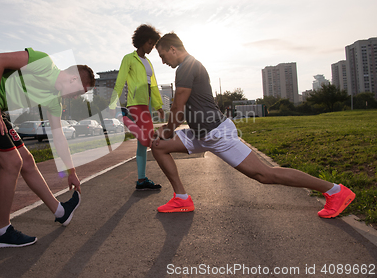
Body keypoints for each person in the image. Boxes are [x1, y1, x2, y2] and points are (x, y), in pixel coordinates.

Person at [150, 33, 355, 218]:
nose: (163, 61)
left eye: (162, 55)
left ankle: (335, 191)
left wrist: (168, 130)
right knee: (158, 146)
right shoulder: (189, 66)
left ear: (172, 49)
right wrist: (167, 131)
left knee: (264, 175)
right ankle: (182, 198)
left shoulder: (187, 66)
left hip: (217, 134)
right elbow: (184, 107)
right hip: (200, 133)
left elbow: (178, 105)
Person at [0, 48, 95, 248]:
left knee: (26, 160)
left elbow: (59, 136)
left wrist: (71, 171)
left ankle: (60, 212)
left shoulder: (55, 100)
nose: (78, 97)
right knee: (13, 163)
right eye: (81, 92)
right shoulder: (44, 63)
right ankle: (2, 231)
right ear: (73, 80)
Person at [109, 24, 165, 190]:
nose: (151, 47)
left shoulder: (148, 63)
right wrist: (113, 102)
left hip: (146, 103)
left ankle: (141, 180)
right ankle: (123, 117)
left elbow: (153, 85)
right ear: (141, 41)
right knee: (147, 139)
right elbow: (120, 81)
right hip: (135, 103)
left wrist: (158, 105)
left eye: (153, 44)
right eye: (149, 43)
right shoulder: (129, 58)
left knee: (142, 144)